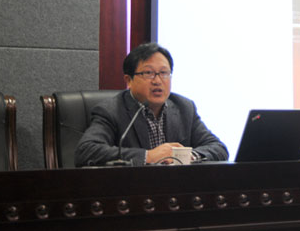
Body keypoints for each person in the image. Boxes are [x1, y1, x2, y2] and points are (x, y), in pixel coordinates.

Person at [75, 42, 228, 166]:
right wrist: (148, 156)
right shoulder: (112, 110)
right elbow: (86, 151)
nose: (158, 81)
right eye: (148, 73)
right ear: (129, 80)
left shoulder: (184, 107)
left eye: (164, 73)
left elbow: (218, 148)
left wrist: (189, 156)